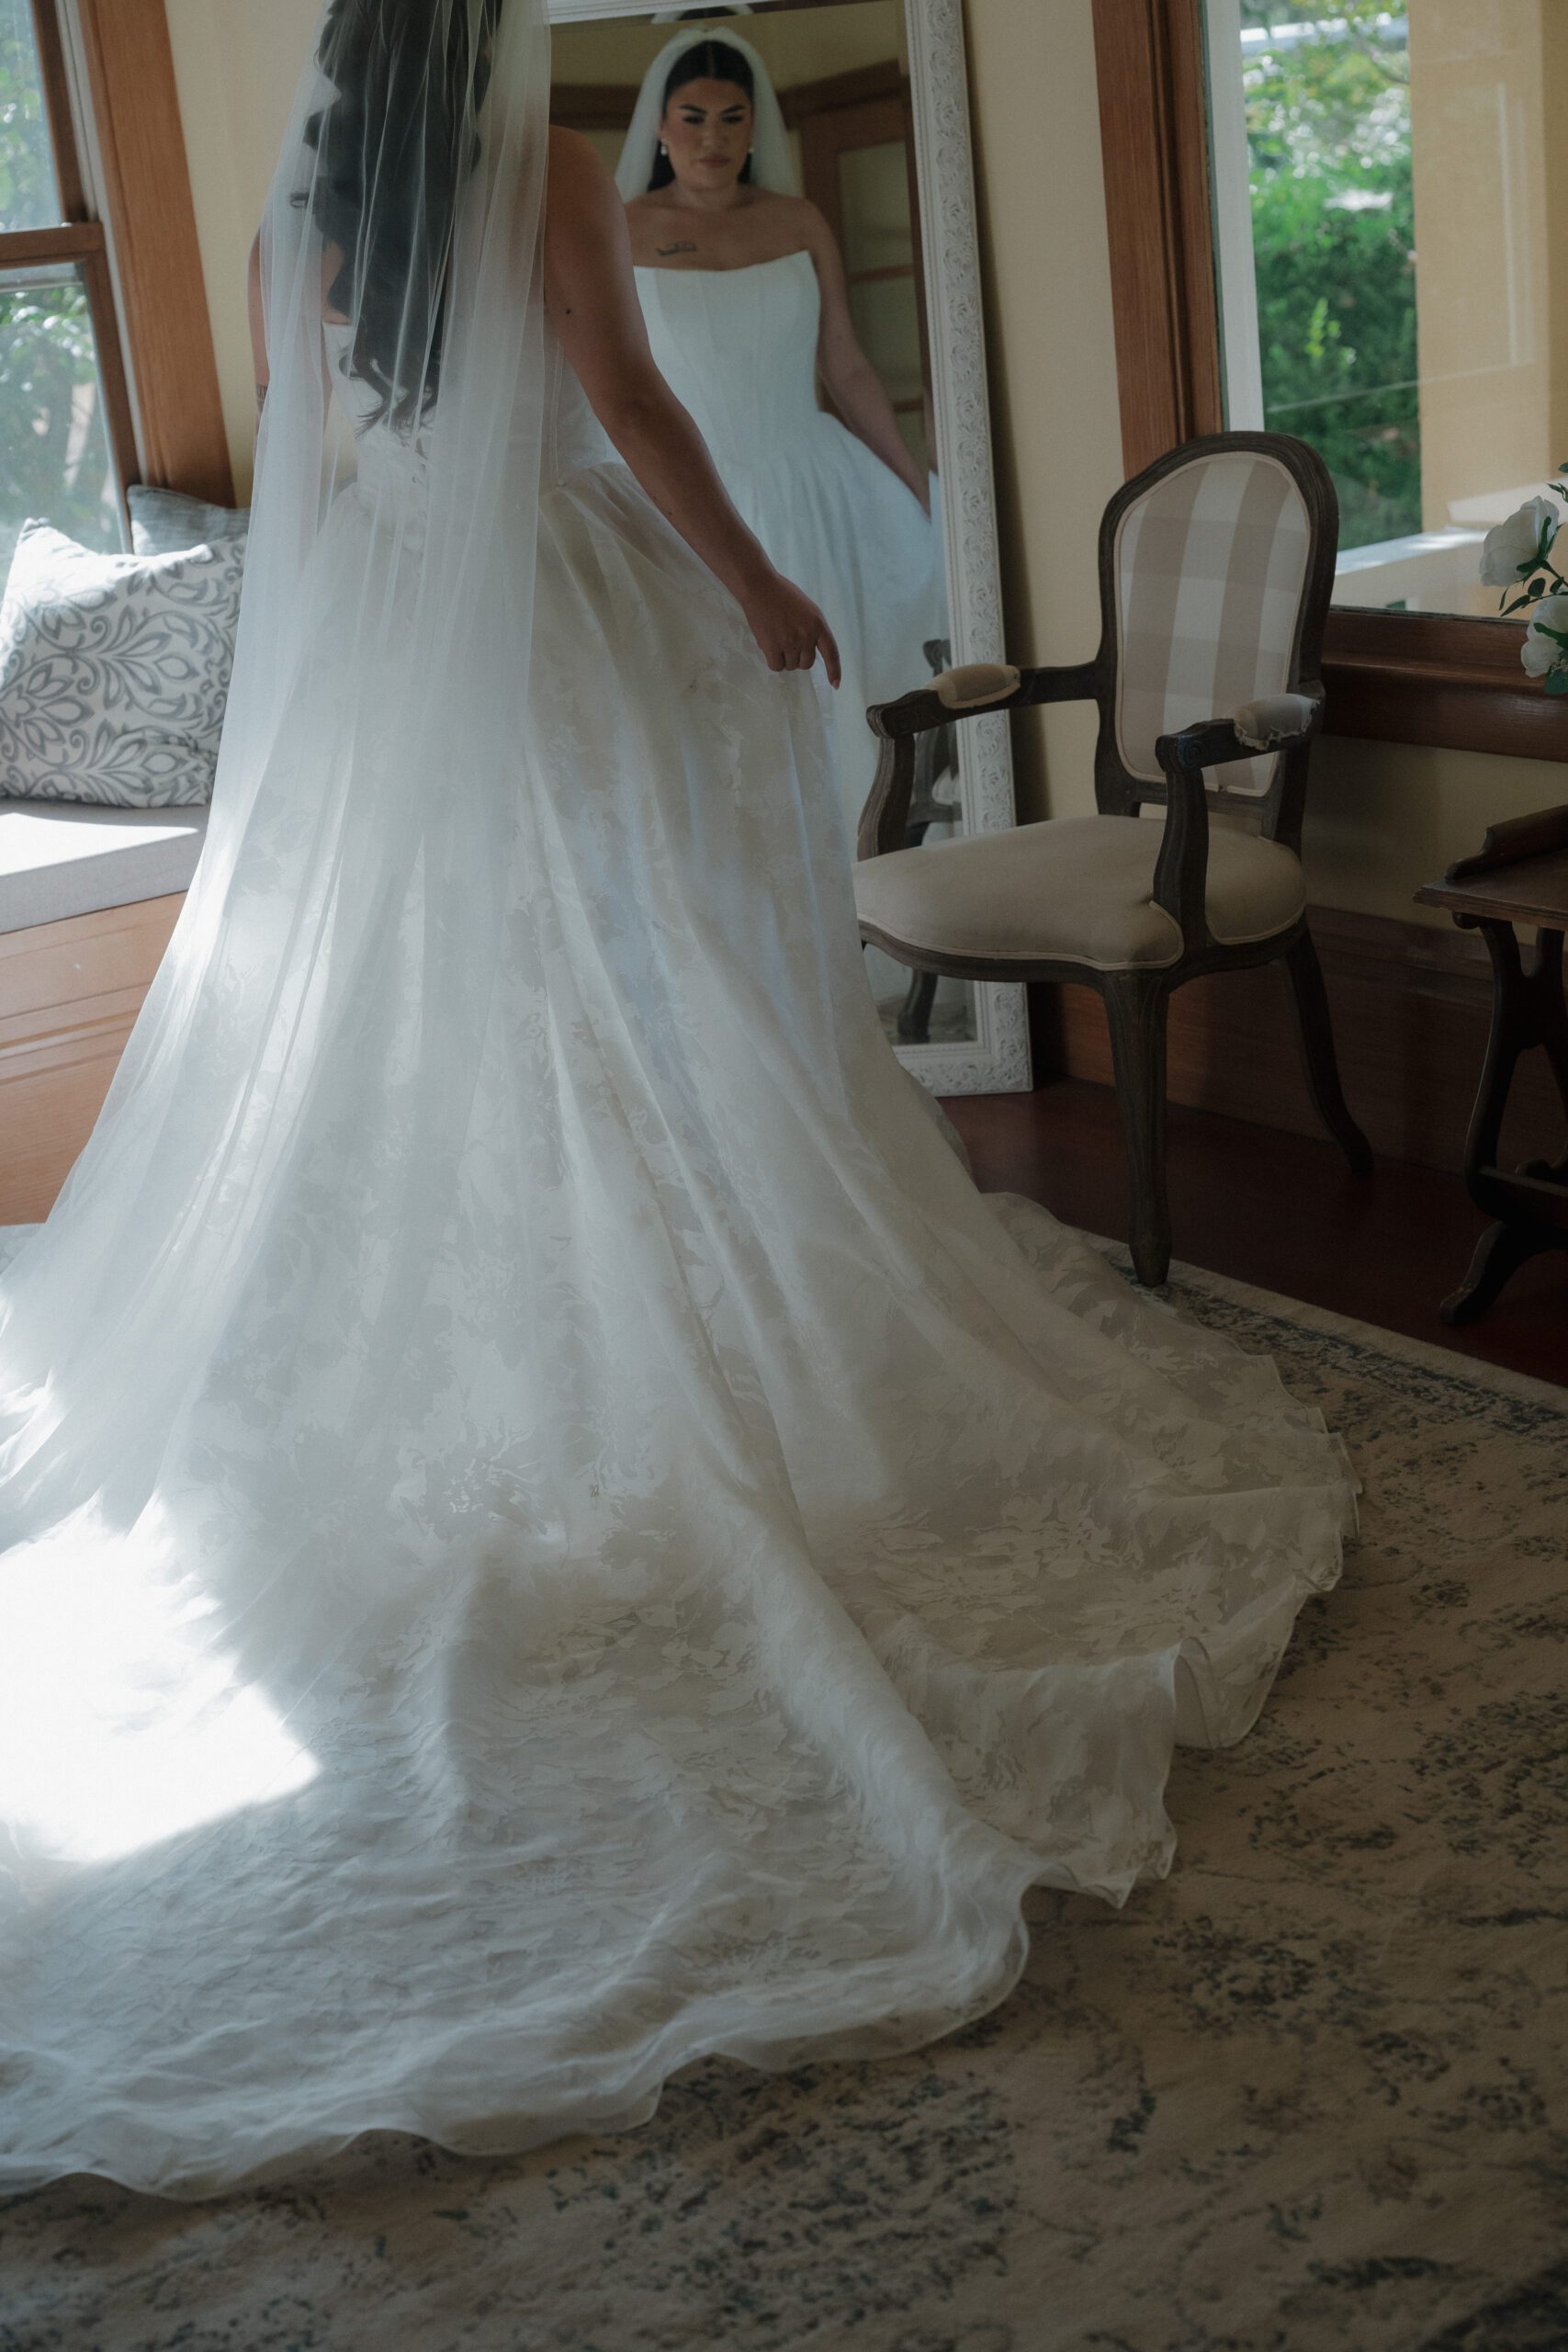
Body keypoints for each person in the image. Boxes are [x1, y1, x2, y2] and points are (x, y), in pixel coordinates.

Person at [0, 0, 1354, 2199]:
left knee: (483, 1014)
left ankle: (550, 1337)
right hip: (557, 608)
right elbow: (617, 399)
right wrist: (759, 589)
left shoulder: (312, 203)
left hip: (397, 650)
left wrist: (343, 684)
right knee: (651, 981)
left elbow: (308, 448)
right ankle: (665, 1324)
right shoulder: (531, 163)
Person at [618, 30, 946, 855]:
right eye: (692, 118)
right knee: (716, 715)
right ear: (658, 127)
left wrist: (913, 484)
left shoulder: (797, 222)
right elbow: (613, 389)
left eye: (733, 118)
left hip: (818, 486)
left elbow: (846, 366)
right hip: (694, 493)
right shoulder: (620, 231)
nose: (712, 137)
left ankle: (870, 898)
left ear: (755, 126)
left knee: (848, 702)